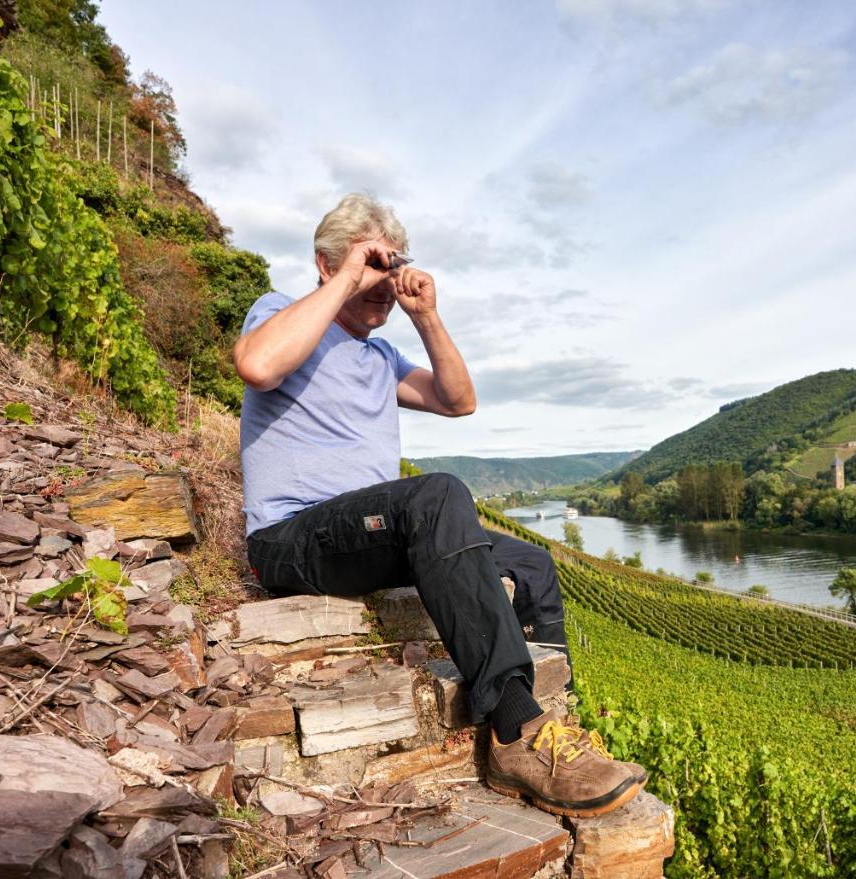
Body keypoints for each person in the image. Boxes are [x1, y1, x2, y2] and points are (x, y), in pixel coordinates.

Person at [233, 193, 645, 817]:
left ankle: (556, 725)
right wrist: (349, 277)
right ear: (325, 265)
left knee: (531, 565)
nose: (382, 279)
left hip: (370, 535)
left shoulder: (381, 357)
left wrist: (426, 316)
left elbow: (459, 401)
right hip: (291, 540)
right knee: (440, 491)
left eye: (389, 264)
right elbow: (257, 365)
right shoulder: (281, 312)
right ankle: (514, 732)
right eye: (370, 262)